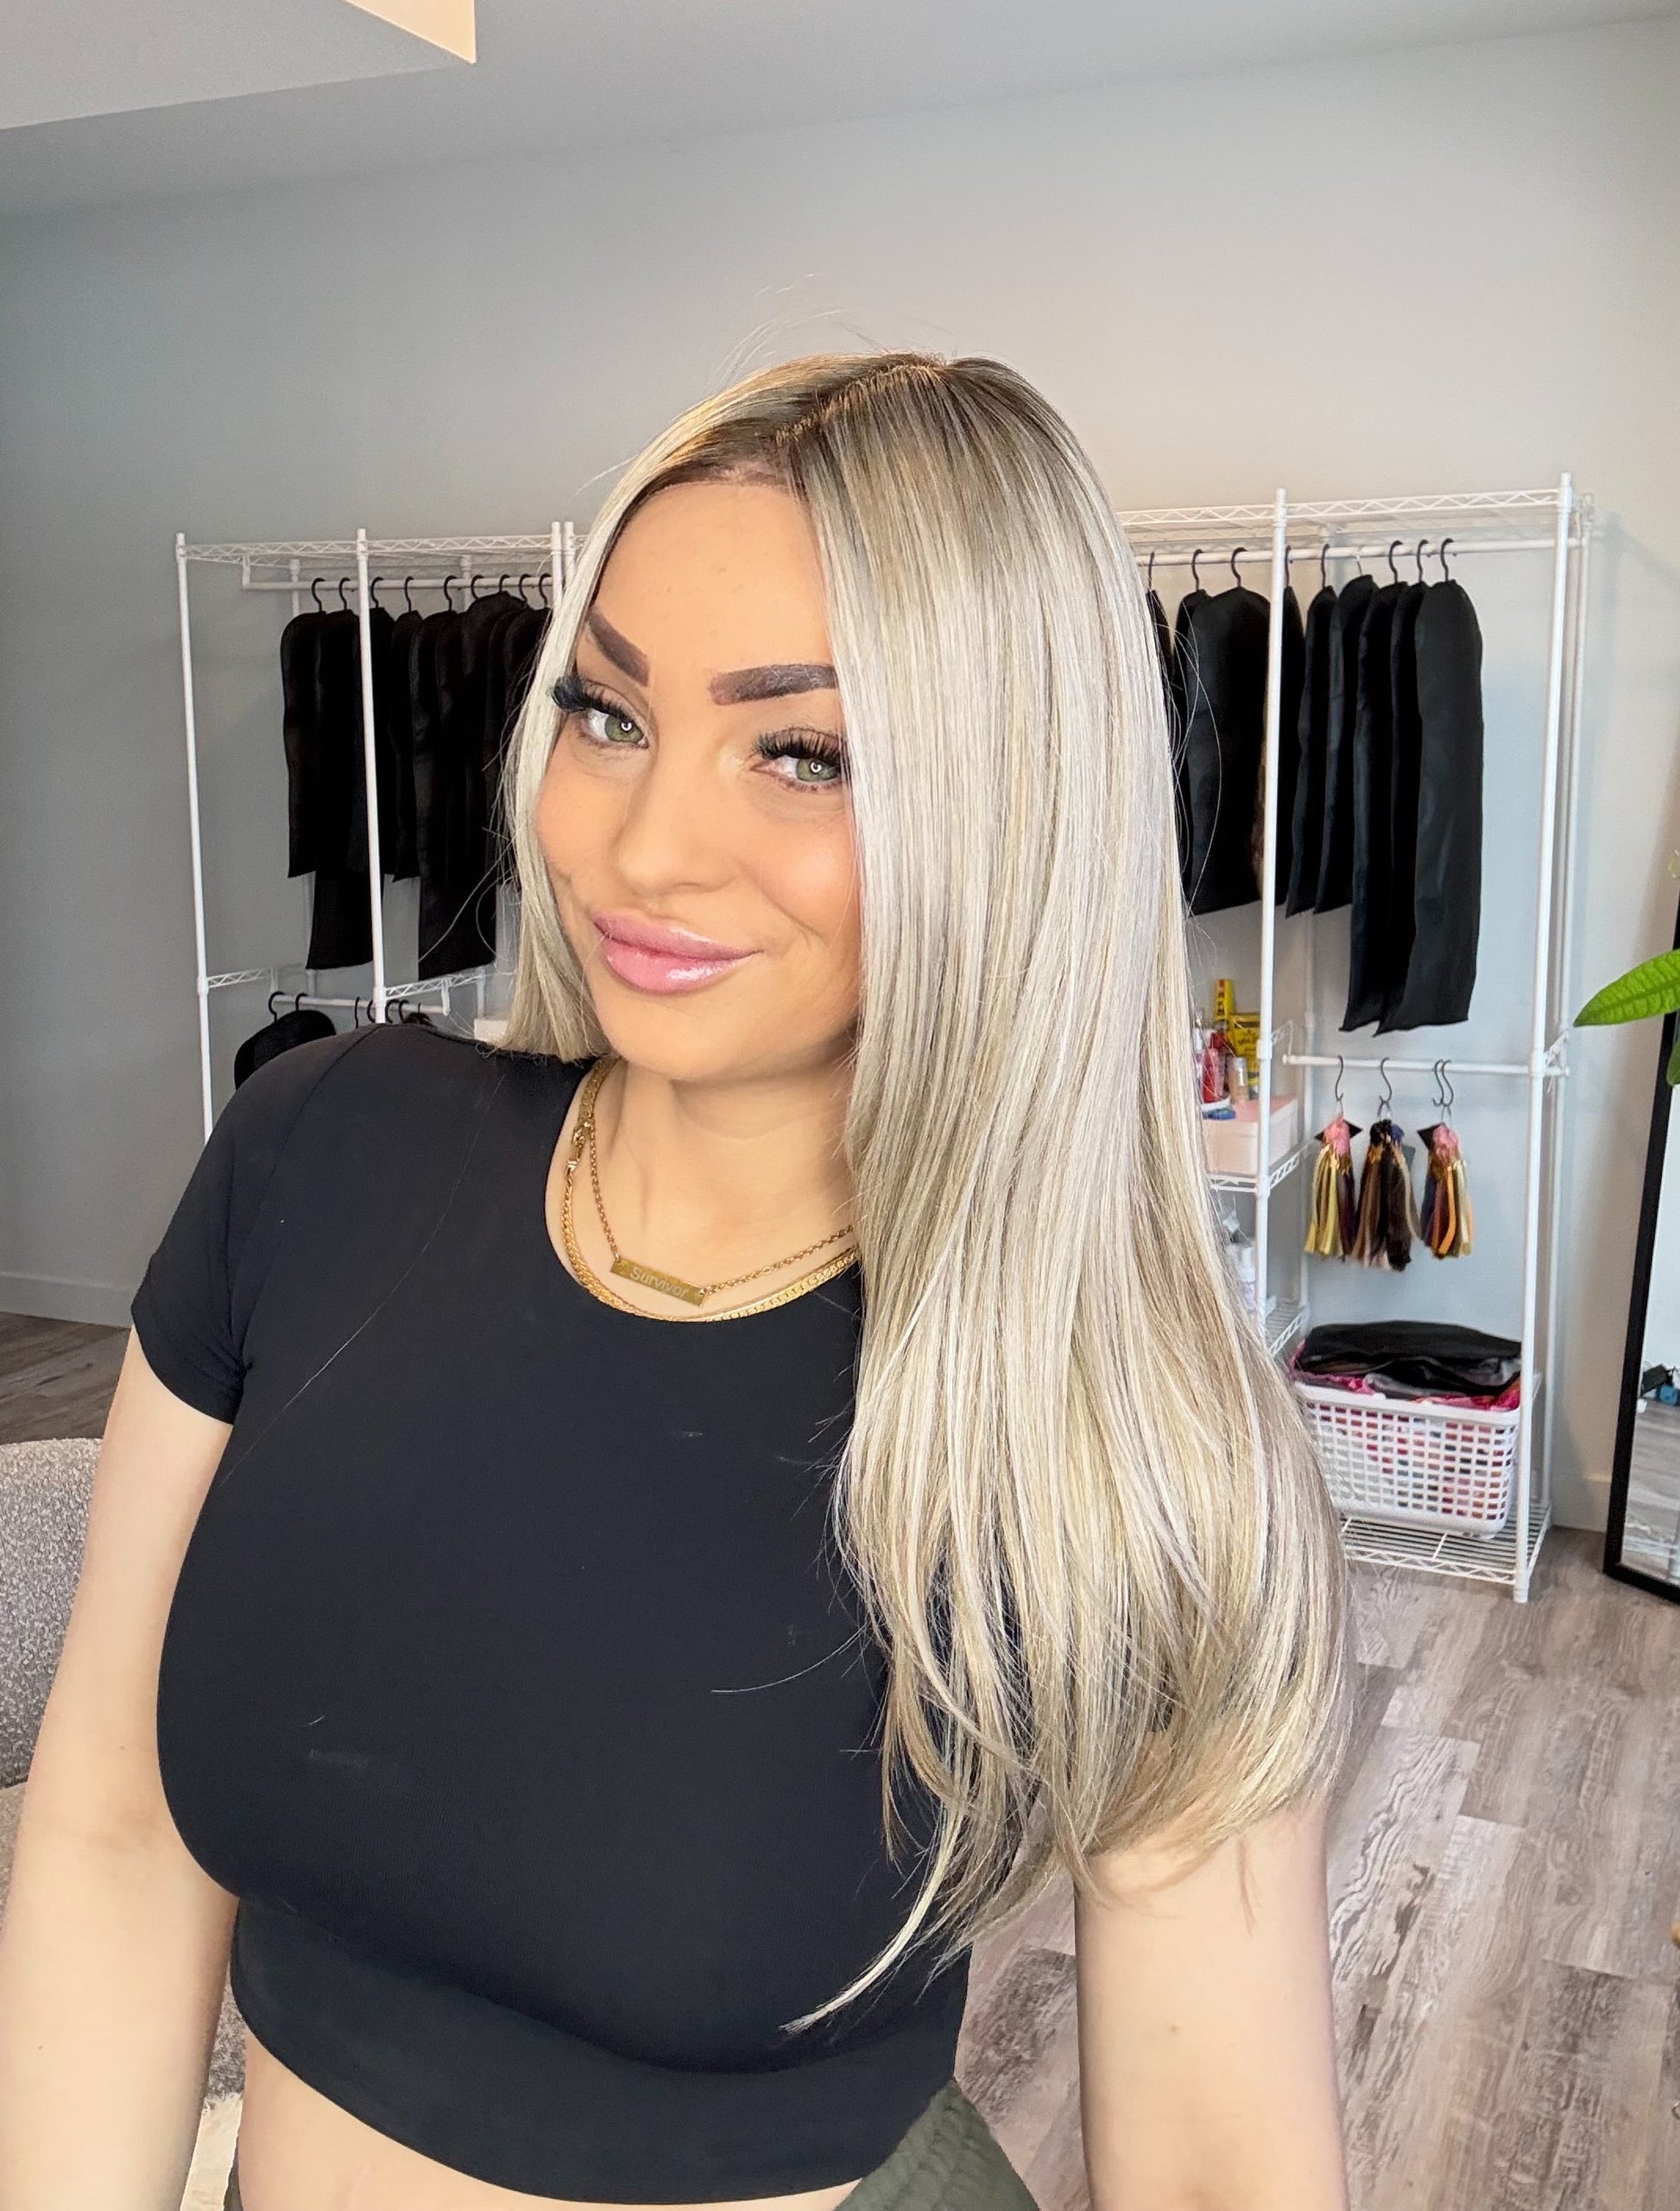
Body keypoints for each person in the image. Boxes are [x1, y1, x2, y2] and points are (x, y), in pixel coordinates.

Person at [0, 351, 1356, 2211]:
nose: (637, 847)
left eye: (799, 751)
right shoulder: (317, 1154)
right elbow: (114, 1838)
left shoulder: (1119, 1430)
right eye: (609, 713)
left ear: (1006, 813)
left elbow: (1221, 2174)